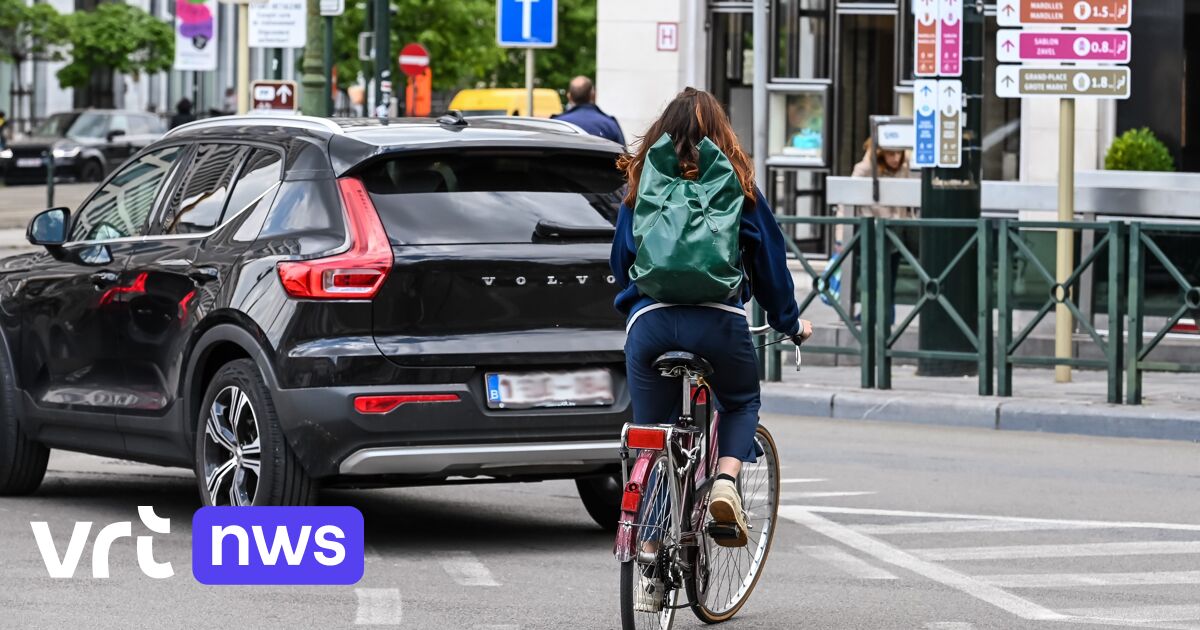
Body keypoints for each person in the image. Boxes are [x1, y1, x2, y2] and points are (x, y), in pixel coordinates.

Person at [610, 88, 813, 550]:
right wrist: (790, 323)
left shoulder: (641, 187)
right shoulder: (738, 188)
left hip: (651, 326)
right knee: (740, 402)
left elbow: (621, 263)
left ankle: (651, 542)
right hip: (719, 324)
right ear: (721, 134)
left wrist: (637, 298)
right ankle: (724, 482)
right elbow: (771, 271)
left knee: (653, 435)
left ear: (662, 133)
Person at [841, 137, 914, 323]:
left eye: (899, 153)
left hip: (895, 232)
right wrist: (840, 237)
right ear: (880, 153)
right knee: (872, 277)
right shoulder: (865, 169)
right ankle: (869, 316)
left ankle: (886, 317)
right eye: (891, 153)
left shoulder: (904, 167)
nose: (896, 158)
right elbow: (846, 200)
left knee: (890, 277)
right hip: (872, 232)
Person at [552, 76, 625, 146]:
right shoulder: (610, 125)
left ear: (569, 97)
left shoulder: (556, 124)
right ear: (593, 95)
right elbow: (624, 156)